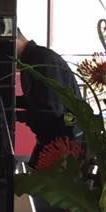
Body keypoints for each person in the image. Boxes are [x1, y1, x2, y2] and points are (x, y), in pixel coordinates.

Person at [15, 28, 80, 168]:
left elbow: (51, 110)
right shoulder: (35, 58)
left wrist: (16, 115)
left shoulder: (40, 59)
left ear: (16, 39)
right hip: (57, 138)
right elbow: (41, 100)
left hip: (65, 143)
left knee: (36, 184)